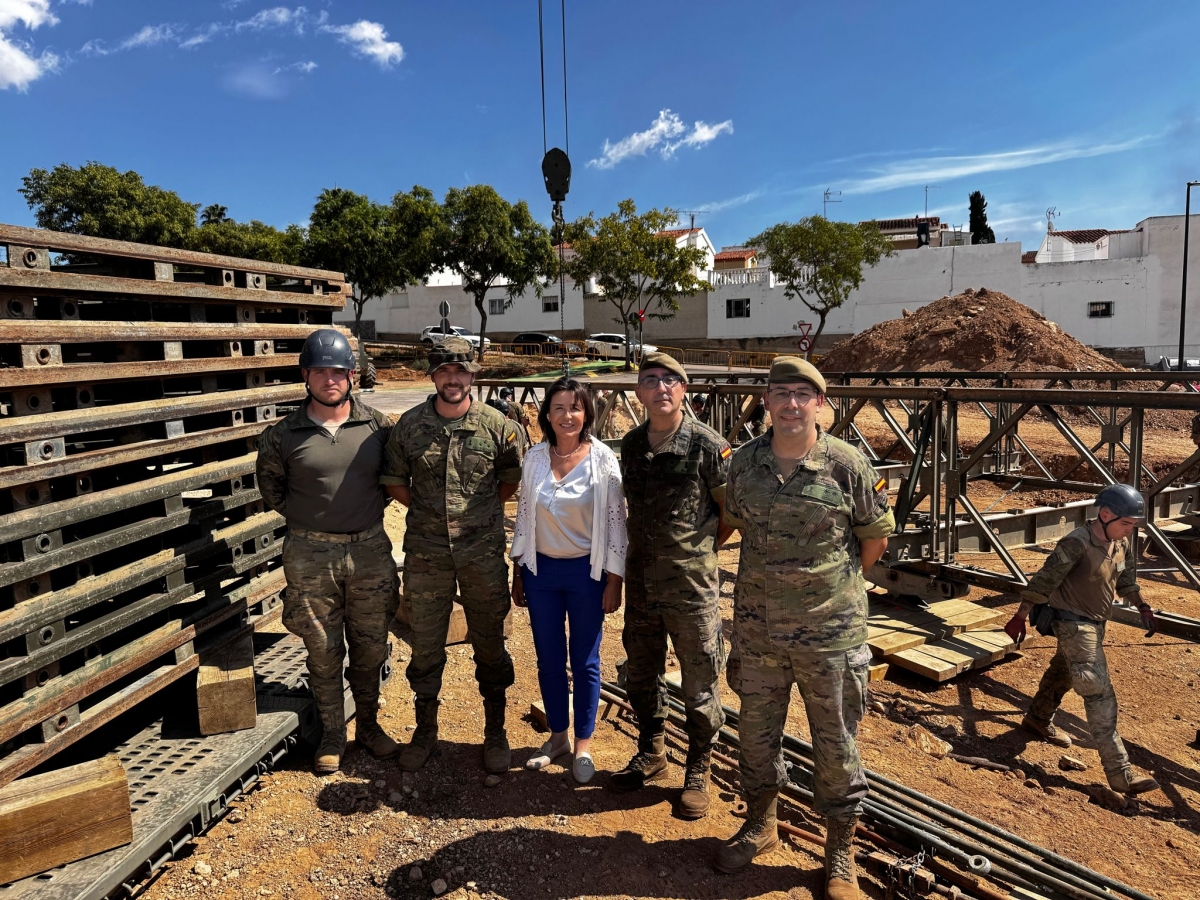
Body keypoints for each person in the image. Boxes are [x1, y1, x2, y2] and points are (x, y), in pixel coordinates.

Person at [719, 357, 894, 900]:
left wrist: (830, 591)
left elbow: (873, 542)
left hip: (830, 637)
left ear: (820, 404)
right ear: (766, 402)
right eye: (781, 393)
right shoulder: (744, 464)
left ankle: (839, 852)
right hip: (758, 634)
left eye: (802, 394)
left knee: (836, 747)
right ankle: (761, 823)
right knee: (755, 739)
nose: (791, 404)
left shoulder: (846, 465)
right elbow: (737, 525)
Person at [256, 328, 400, 774]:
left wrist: (359, 516)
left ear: (352, 375)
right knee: (322, 650)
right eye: (320, 371)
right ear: (305, 375)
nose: (329, 379)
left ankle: (369, 726)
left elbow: (392, 482)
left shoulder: (378, 427)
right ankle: (333, 735)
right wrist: (315, 521)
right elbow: (272, 490)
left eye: (338, 371)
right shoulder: (282, 435)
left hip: (369, 551)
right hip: (310, 557)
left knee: (370, 646)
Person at [380, 337, 527, 774]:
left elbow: (510, 481)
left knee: (490, 642)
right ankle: (425, 731)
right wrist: (433, 513)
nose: (453, 379)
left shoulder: (499, 427)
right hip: (427, 556)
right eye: (444, 371)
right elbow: (395, 482)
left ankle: (495, 730)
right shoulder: (409, 427)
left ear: (472, 376)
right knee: (426, 646)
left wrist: (476, 514)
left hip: (482, 554)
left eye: (461, 371)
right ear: (433, 376)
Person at [609, 352, 734, 821]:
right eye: (651, 380)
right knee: (642, 674)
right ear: (639, 392)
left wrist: (698, 550)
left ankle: (698, 767)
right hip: (642, 584)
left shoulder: (708, 445)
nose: (661, 388)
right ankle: (652, 750)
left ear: (684, 390)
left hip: (691, 588)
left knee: (700, 682)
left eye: (670, 380)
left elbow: (729, 513)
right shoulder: (631, 445)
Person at [1003, 484, 1160, 796]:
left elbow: (1126, 581)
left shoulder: (1121, 543)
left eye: (1133, 525)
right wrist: (1020, 616)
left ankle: (1037, 719)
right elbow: (1044, 581)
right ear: (1105, 515)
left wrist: (1142, 605)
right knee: (1098, 690)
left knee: (1062, 672)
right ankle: (1120, 773)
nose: (1129, 530)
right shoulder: (1077, 542)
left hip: (1096, 623)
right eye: (1125, 523)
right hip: (1073, 624)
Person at [509, 378, 627, 783]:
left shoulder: (603, 460)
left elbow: (616, 523)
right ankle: (558, 736)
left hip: (586, 574)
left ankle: (583, 744)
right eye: (558, 407)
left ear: (586, 413)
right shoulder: (534, 458)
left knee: (586, 661)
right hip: (541, 572)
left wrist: (615, 579)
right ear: (547, 414)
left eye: (575, 407)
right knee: (548, 659)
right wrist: (518, 569)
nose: (567, 415)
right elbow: (524, 516)